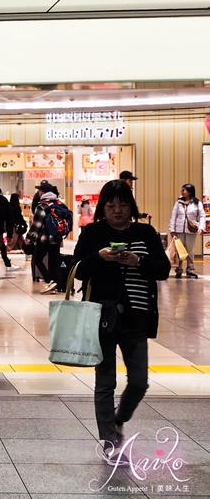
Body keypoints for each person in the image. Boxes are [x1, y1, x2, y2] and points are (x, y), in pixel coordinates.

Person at [73, 180, 169, 463]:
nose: (117, 210)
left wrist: (138, 261)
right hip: (101, 316)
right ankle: (109, 441)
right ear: (102, 207)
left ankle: (118, 419)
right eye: (111, 205)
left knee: (139, 382)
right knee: (106, 382)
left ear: (131, 206)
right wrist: (99, 257)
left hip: (138, 317)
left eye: (123, 204)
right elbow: (77, 270)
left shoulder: (146, 233)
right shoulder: (92, 233)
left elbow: (163, 270)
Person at [26, 182, 64, 294]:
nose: (38, 192)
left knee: (38, 259)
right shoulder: (59, 204)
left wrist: (29, 238)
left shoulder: (42, 206)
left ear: (43, 192)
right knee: (54, 261)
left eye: (40, 191)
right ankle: (55, 283)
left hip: (44, 239)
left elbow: (36, 225)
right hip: (56, 239)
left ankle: (49, 280)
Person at [169, 183, 206, 279]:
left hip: (191, 230)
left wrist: (201, 227)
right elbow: (174, 216)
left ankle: (190, 270)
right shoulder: (178, 203)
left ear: (189, 192)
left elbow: (202, 216)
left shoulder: (197, 203)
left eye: (183, 190)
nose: (182, 192)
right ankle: (178, 270)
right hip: (179, 230)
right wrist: (172, 229)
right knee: (179, 251)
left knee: (189, 251)